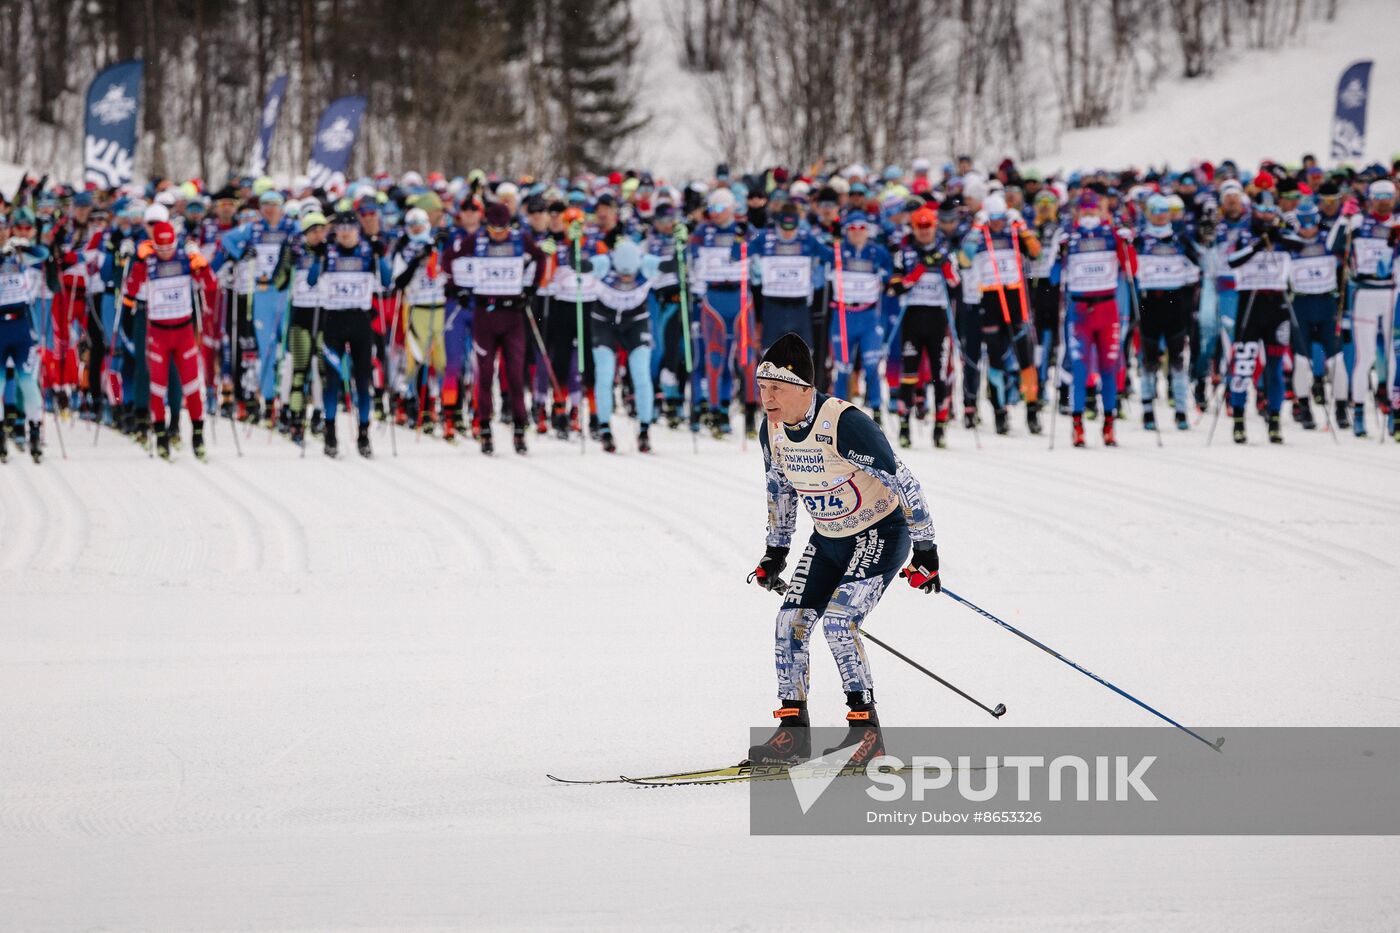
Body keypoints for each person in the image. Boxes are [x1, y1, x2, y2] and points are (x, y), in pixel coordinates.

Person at [746, 333, 940, 769]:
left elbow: (903, 481)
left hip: (880, 532)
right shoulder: (772, 431)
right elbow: (780, 491)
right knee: (789, 622)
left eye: (776, 387)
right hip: (830, 537)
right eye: (762, 387)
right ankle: (793, 734)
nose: (766, 397)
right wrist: (775, 554)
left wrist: (925, 550)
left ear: (804, 388)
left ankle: (866, 733)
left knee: (839, 622)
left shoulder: (844, 423)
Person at [121, 220, 217, 459]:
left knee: (192, 386)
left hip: (184, 332)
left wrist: (202, 265)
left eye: (169, 248)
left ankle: (197, 435)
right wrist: (139, 262)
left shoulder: (185, 260)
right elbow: (130, 292)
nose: (165, 253)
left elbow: (211, 286)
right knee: (157, 387)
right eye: (160, 248)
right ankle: (161, 436)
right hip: (158, 334)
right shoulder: (149, 262)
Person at [306, 211, 391, 458]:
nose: (345, 233)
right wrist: (316, 256)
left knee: (362, 381)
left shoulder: (367, 252)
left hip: (360, 322)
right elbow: (311, 281)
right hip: (333, 321)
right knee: (331, 381)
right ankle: (330, 432)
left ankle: (364, 434)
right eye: (341, 228)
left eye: (350, 228)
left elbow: (386, 280)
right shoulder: (328, 252)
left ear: (357, 231)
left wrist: (381, 254)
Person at [1055, 191, 1133, 447]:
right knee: (1079, 369)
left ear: (1102, 211)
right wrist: (1060, 252)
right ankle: (1077, 425)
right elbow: (1054, 278)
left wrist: (1126, 245)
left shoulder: (1112, 233)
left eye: (1094, 210)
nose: (1090, 215)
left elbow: (1131, 268)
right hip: (1079, 311)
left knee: (1109, 368)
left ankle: (1109, 425)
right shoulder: (1069, 235)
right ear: (1078, 212)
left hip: (1107, 308)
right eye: (1085, 210)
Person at [887, 205, 960, 447]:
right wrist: (917, 272)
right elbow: (895, 287)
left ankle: (940, 427)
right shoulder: (904, 253)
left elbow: (957, 285)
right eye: (921, 226)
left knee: (940, 373)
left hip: (938, 317)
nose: (925, 231)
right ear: (914, 228)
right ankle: (905, 425)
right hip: (912, 316)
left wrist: (946, 267)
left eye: (929, 226)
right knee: (910, 373)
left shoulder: (945, 251)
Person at [1133, 194, 1202, 431]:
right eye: (1156, 211)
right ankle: (1148, 410)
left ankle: (1181, 410)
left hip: (1175, 301)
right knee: (1149, 360)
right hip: (1149, 301)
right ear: (1148, 213)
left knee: (1178, 359)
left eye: (1164, 212)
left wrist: (1187, 281)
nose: (1161, 216)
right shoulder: (1140, 238)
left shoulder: (1180, 237)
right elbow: (1130, 267)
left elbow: (1197, 265)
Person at [0, 213, 50, 463]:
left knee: (28, 384)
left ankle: (34, 432)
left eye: (2, 228)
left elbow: (43, 255)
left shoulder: (17, 253)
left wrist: (24, 246)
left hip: (20, 326)